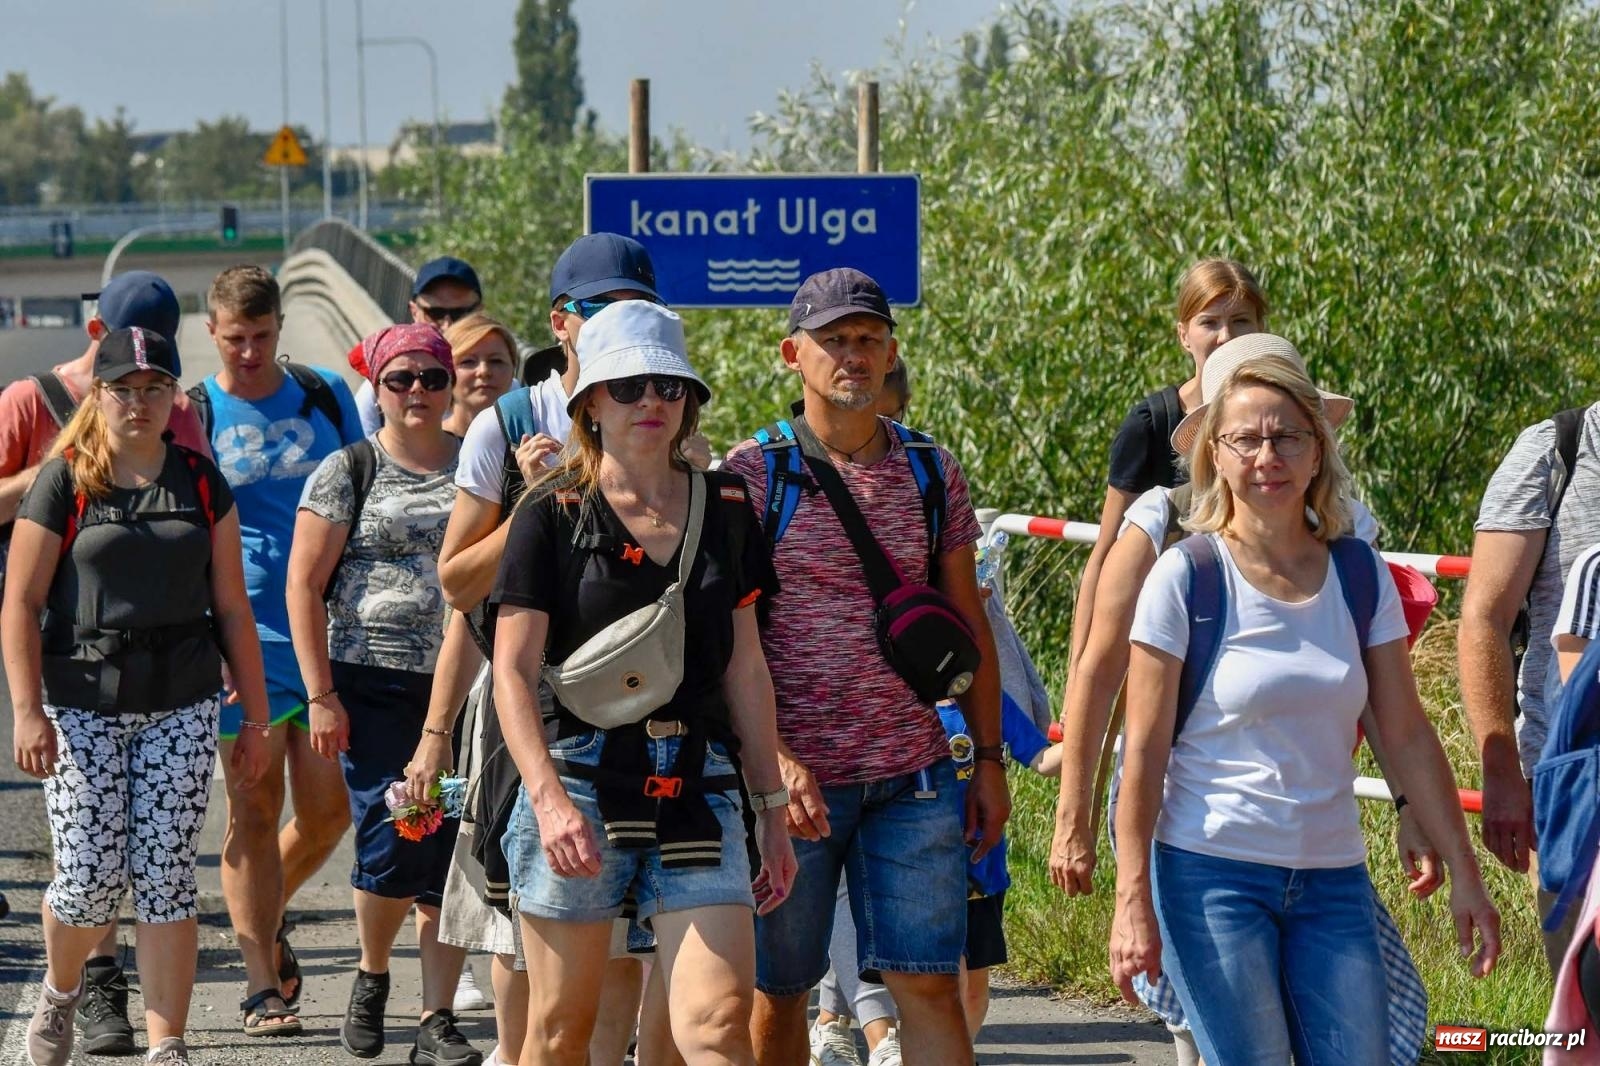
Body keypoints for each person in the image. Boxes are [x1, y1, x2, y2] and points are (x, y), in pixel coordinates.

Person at [1110, 337, 1500, 1064]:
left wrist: (1465, 872)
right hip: (1209, 875)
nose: (1269, 456)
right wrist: (1132, 897)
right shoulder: (1186, 577)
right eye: (1247, 438)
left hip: (1332, 878)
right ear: (1215, 457)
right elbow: (1145, 757)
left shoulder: (1357, 574)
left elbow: (1407, 731)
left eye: (1289, 435)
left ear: (1318, 451)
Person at [490, 299, 796, 1066]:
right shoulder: (551, 512)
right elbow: (513, 673)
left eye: (668, 385)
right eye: (627, 387)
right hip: (581, 780)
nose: (651, 402)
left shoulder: (728, 508)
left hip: (702, 784)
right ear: (590, 401)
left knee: (720, 1025)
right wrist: (548, 801)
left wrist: (771, 809)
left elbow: (746, 667)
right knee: (561, 1033)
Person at [722, 268, 1009, 1066]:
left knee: (927, 986)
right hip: (794, 788)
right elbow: (721, 643)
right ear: (793, 354)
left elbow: (968, 629)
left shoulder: (931, 470)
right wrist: (773, 766)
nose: (853, 355)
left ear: (891, 354)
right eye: (834, 340)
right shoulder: (752, 475)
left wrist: (987, 763)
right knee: (779, 988)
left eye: (868, 339)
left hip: (913, 776)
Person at [427, 232, 673, 1066]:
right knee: (521, 929)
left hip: (643, 696)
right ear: (563, 323)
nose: (626, 330)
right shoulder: (507, 422)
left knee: (624, 938)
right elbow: (457, 583)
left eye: (642, 310)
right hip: (528, 698)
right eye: (608, 310)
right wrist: (540, 504)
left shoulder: (662, 403)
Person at [3, 327, 271, 1066]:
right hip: (82, 701)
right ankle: (62, 993)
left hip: (180, 701)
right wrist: (28, 710)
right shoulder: (66, 480)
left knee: (165, 878)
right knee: (89, 881)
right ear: (101, 394)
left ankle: (167, 1044)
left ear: (173, 397)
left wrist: (252, 716)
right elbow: (20, 603)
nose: (140, 403)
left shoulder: (199, 480)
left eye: (156, 389)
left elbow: (234, 609)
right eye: (125, 389)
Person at [285, 323, 479, 1065]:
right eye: (401, 380)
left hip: (463, 688)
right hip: (369, 684)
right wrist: (321, 694)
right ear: (379, 388)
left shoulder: (478, 464)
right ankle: (371, 977)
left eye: (432, 378)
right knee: (394, 835)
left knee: (451, 846)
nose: (419, 393)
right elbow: (303, 585)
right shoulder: (348, 469)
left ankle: (435, 1019)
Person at [194, 265, 366, 1035]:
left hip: (326, 637)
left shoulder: (326, 395)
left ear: (280, 327)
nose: (251, 353)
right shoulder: (195, 412)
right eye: (237, 340)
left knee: (329, 812)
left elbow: (371, 488)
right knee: (254, 807)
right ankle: (262, 983)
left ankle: (265, 914)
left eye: (263, 337)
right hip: (243, 640)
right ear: (212, 333)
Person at [1066, 260, 1266, 687]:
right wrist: (1079, 674)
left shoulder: (1284, 420)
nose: (1225, 336)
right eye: (1209, 322)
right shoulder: (1151, 424)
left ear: (1261, 329)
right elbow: (1105, 552)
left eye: (1240, 321)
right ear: (1183, 334)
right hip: (1158, 643)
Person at [1461, 392, 1600, 971]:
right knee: (1584, 1006)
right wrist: (1501, 776)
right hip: (1574, 783)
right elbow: (1483, 619)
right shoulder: (1555, 450)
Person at [354, 257, 485, 435]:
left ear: (479, 312)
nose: (447, 325)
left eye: (460, 314)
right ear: (414, 311)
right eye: (435, 313)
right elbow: (364, 452)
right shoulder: (385, 384)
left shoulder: (500, 384)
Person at [443, 312, 519, 439]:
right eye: (468, 361)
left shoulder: (531, 445)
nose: (484, 371)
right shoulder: (423, 447)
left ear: (513, 369)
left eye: (496, 361)